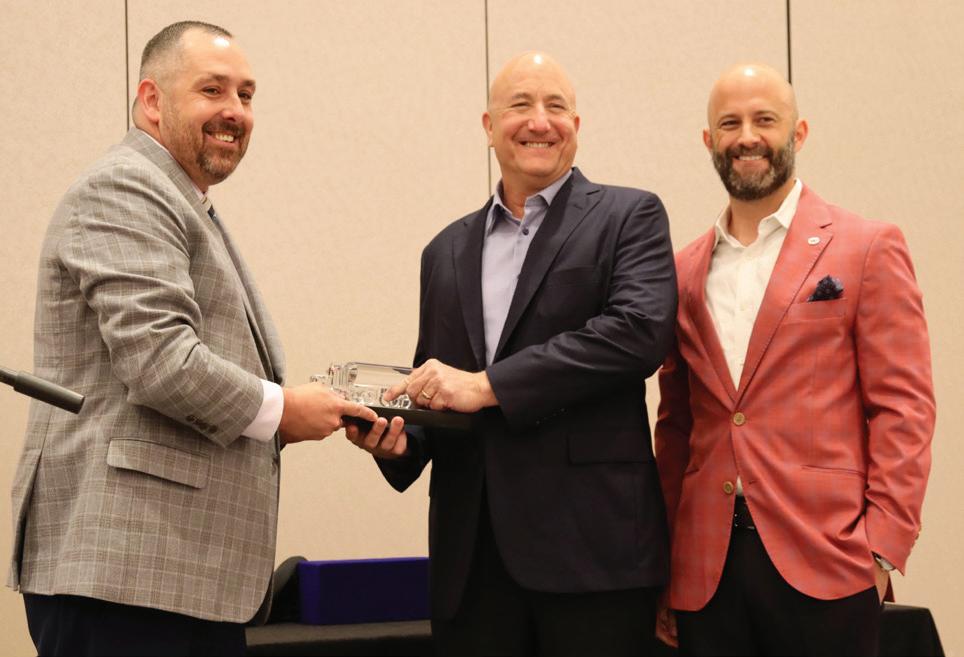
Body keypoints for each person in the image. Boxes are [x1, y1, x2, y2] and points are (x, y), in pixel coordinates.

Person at [8, 21, 376, 657]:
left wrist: (296, 413)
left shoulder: (180, 199)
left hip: (171, 581)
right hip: (127, 578)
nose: (235, 111)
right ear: (152, 100)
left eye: (247, 95)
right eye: (213, 90)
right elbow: (160, 361)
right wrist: (283, 410)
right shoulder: (126, 186)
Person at [346, 51, 677, 655]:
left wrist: (485, 386)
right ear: (489, 126)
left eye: (556, 106)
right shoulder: (443, 251)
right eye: (520, 105)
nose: (539, 121)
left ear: (577, 124)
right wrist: (398, 439)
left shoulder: (630, 216)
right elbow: (438, 385)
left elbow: (637, 333)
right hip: (471, 565)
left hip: (592, 555)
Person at [654, 63, 935, 656]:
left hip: (830, 563)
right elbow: (676, 425)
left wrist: (882, 549)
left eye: (765, 120)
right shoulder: (681, 271)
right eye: (729, 123)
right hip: (706, 572)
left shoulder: (866, 246)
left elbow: (904, 408)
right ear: (708, 140)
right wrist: (667, 563)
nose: (747, 136)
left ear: (798, 133)